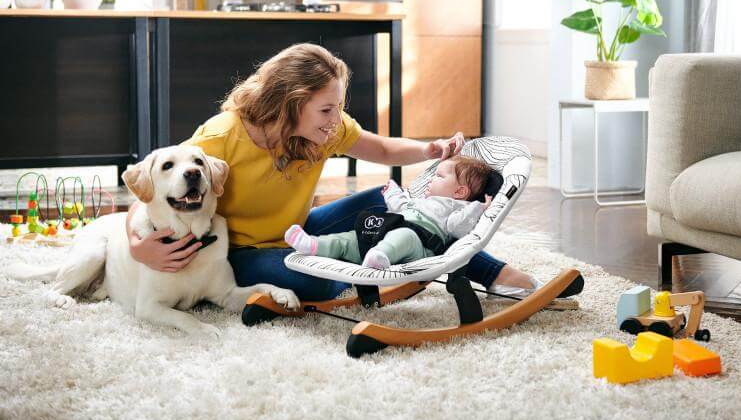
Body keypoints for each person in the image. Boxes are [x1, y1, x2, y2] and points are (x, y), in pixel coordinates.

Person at [126, 42, 541, 301]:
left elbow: (380, 148)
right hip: (239, 251)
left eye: (338, 107)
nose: (335, 119)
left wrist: (427, 149)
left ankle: (490, 271)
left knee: (396, 205)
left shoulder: (325, 129)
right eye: (326, 109)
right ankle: (387, 262)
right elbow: (152, 186)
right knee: (319, 283)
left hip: (299, 230)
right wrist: (135, 244)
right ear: (290, 102)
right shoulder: (220, 137)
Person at [284, 156, 494, 269]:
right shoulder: (423, 201)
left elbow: (458, 228)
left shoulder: (457, 208)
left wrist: (478, 208)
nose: (432, 179)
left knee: (404, 236)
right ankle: (313, 244)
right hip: (388, 228)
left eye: (439, 176)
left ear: (459, 192)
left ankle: (380, 256)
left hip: (420, 244)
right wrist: (393, 193)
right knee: (351, 238)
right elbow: (401, 207)